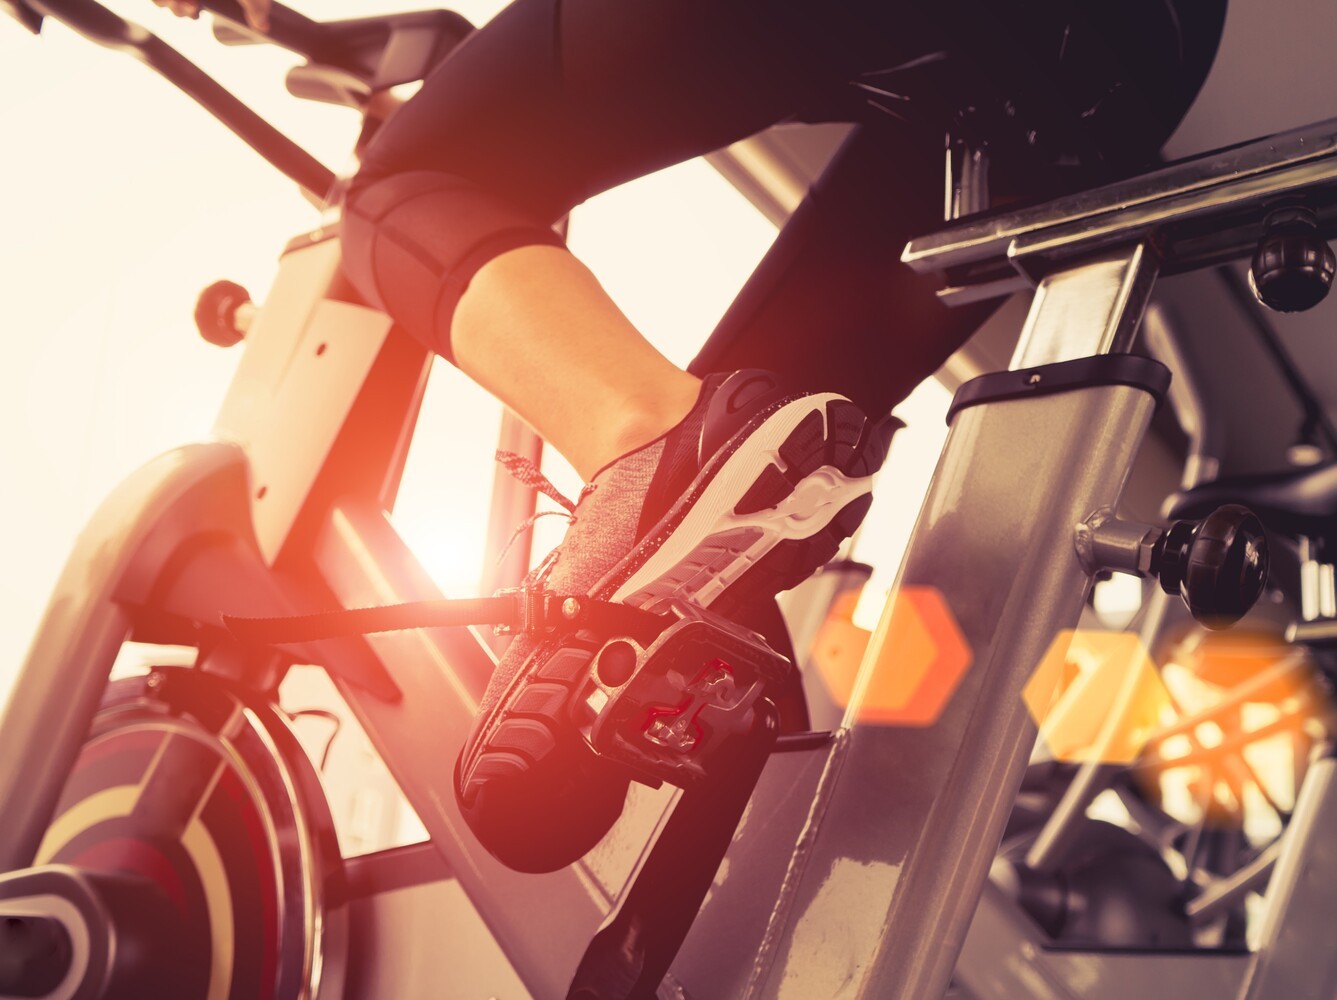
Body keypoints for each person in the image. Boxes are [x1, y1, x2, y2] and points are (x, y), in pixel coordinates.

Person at [159, 0, 1225, 873]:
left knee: (408, 186)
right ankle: (652, 655)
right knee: (753, 437)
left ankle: (639, 442)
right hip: (1141, 52)